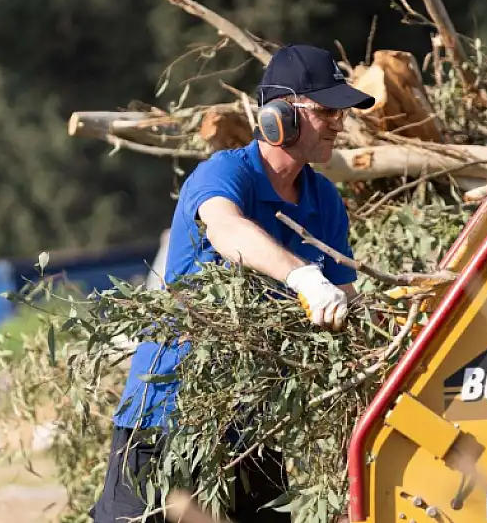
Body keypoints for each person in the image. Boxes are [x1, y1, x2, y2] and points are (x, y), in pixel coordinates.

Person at [90, 43, 376, 523]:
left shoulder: (323, 199)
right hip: (167, 408)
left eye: (341, 113)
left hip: (252, 416)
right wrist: (303, 276)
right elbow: (226, 229)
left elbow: (346, 297)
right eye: (327, 111)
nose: (338, 124)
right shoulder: (225, 173)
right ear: (280, 117)